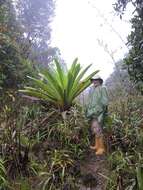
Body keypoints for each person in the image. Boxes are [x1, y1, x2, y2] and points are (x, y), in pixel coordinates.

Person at [85, 75, 109, 155]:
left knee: (98, 129)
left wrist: (98, 110)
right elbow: (89, 100)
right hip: (92, 113)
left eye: (96, 80)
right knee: (95, 129)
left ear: (100, 81)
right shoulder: (91, 89)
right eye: (93, 80)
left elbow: (105, 102)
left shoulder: (103, 88)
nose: (94, 81)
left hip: (99, 113)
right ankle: (96, 145)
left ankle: (101, 148)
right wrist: (88, 109)